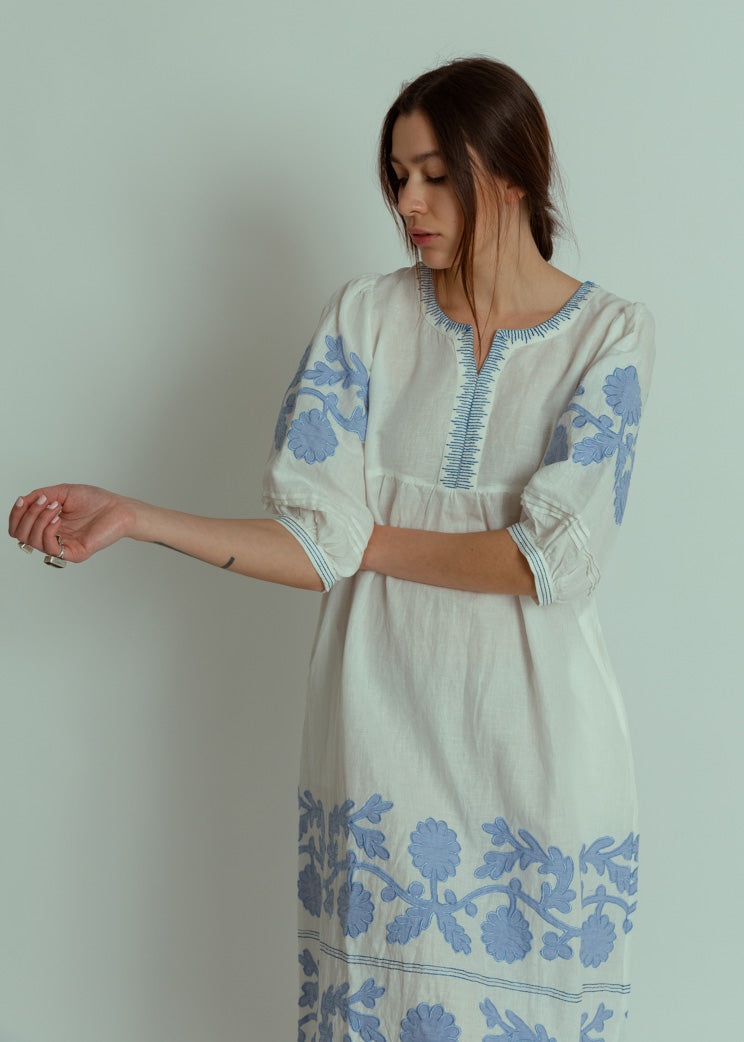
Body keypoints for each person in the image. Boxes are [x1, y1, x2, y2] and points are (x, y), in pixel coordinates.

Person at [9, 58, 653, 1042]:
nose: (408, 202)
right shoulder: (365, 321)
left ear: (512, 173)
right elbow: (314, 544)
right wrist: (139, 516)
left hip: (540, 759)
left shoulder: (607, 335)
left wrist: (363, 538)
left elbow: (549, 560)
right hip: (379, 751)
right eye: (397, 177)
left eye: (435, 175)